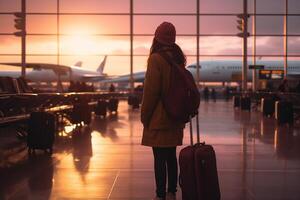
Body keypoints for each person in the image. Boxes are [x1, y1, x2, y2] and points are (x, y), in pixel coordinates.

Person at [141, 22, 185, 200]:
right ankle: (172, 192)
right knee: (171, 156)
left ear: (156, 38)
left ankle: (160, 195)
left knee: (159, 158)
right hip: (175, 116)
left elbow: (151, 92)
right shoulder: (178, 58)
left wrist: (145, 116)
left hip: (159, 118)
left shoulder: (155, 59)